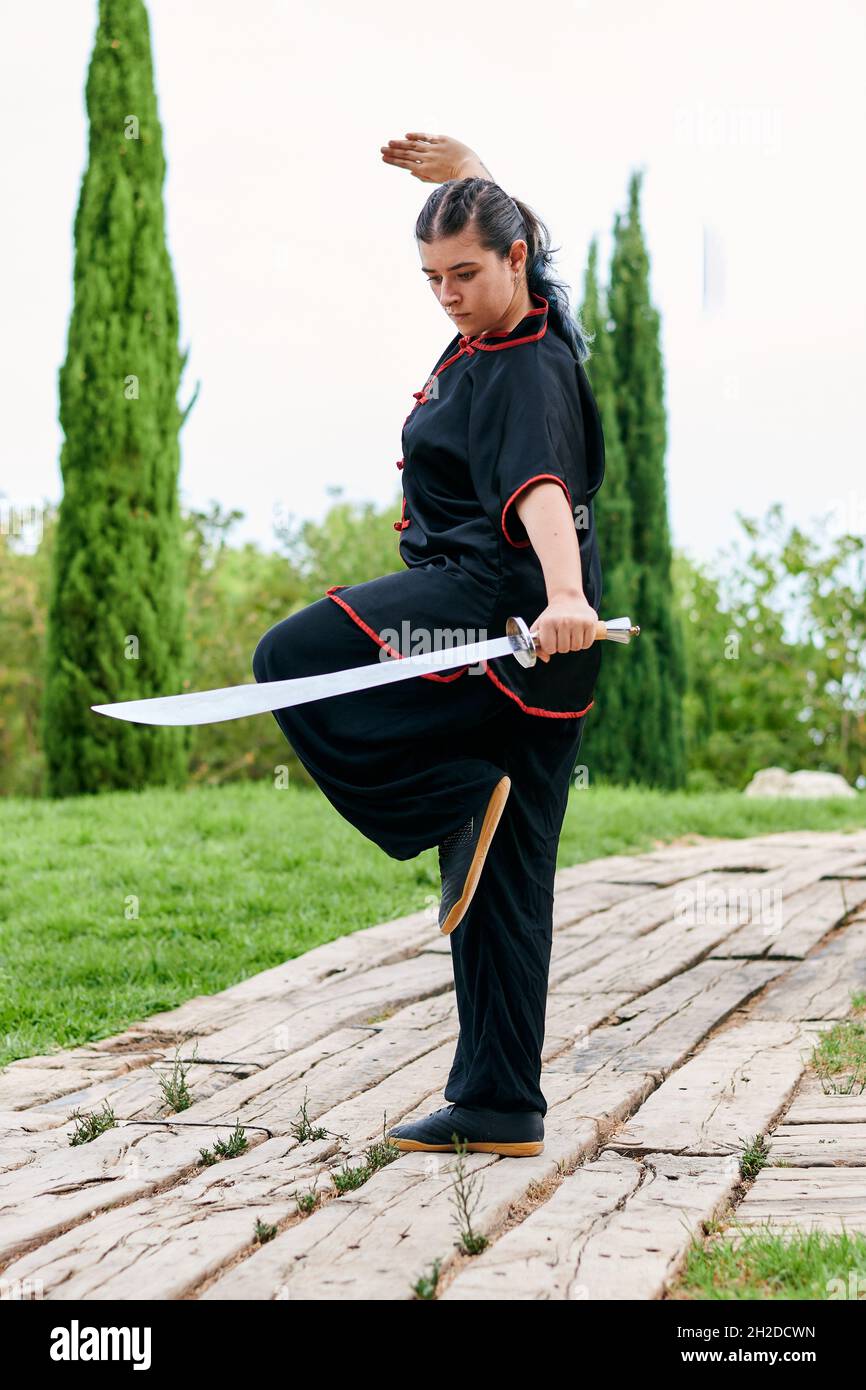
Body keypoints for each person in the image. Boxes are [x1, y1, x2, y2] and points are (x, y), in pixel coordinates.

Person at [252, 134, 606, 1159]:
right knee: (506, 875)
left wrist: (566, 591)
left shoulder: (522, 364)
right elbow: (517, 231)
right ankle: (499, 1103)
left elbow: (540, 486)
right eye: (431, 279)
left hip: (495, 610)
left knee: (293, 659)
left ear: (509, 260)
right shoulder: (523, 313)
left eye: (463, 272)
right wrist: (475, 168)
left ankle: (446, 797)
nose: (447, 293)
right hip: (538, 649)